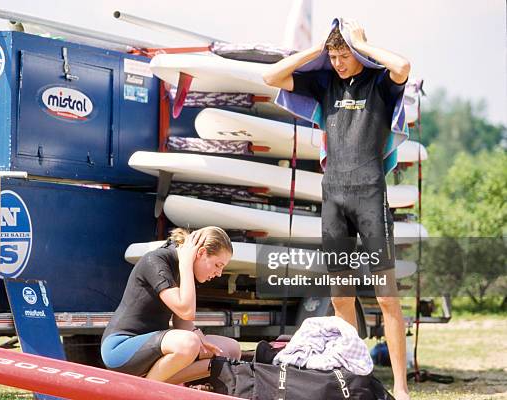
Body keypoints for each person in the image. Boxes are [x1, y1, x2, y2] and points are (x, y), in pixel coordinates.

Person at [263, 20, 411, 400]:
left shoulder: (378, 84)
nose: (339, 62)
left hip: (369, 196)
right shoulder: (325, 83)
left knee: (385, 296)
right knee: (341, 296)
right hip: (334, 197)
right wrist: (317, 52)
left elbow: (402, 67)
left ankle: (400, 385)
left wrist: (362, 44)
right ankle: (354, 374)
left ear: (358, 54)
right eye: (334, 55)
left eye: (345, 55)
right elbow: (271, 77)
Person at [100, 226, 241, 384]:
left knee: (230, 351)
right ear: (200, 253)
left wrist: (198, 335)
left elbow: (181, 319)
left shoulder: (183, 267)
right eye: (218, 265)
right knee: (188, 343)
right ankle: (141, 393)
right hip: (120, 348)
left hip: (155, 347)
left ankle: (162, 386)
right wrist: (186, 264)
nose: (219, 273)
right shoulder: (156, 260)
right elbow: (186, 311)